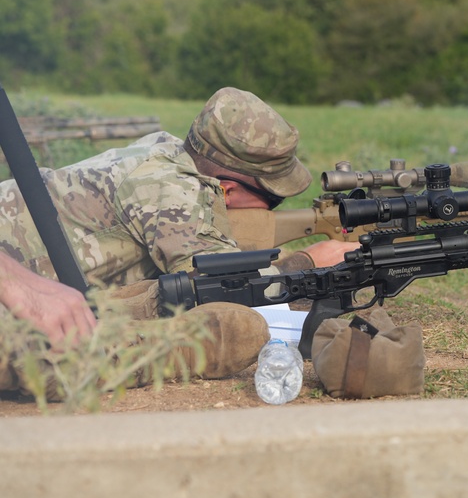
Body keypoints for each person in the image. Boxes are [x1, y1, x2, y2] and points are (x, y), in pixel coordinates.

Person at [0, 86, 356, 397]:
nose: (273, 208)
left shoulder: (166, 152)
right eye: (273, 199)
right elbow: (223, 288)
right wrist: (305, 264)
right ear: (228, 191)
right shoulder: (170, 190)